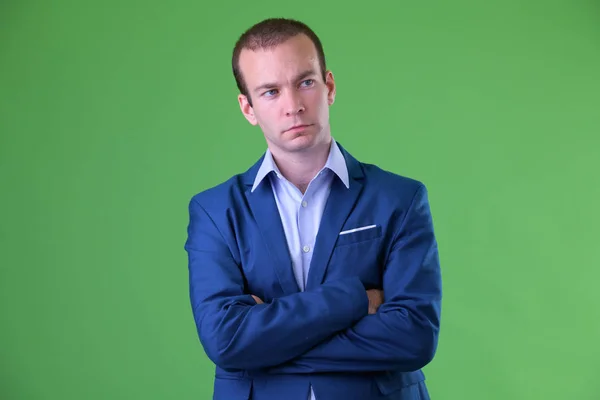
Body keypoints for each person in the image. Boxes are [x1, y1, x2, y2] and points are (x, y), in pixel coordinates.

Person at [184, 17, 442, 400]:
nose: (293, 106)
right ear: (248, 108)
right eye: (270, 92)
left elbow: (414, 338)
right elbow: (227, 340)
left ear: (329, 86)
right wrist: (357, 299)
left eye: (305, 82)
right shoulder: (214, 211)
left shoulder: (400, 198)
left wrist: (266, 342)